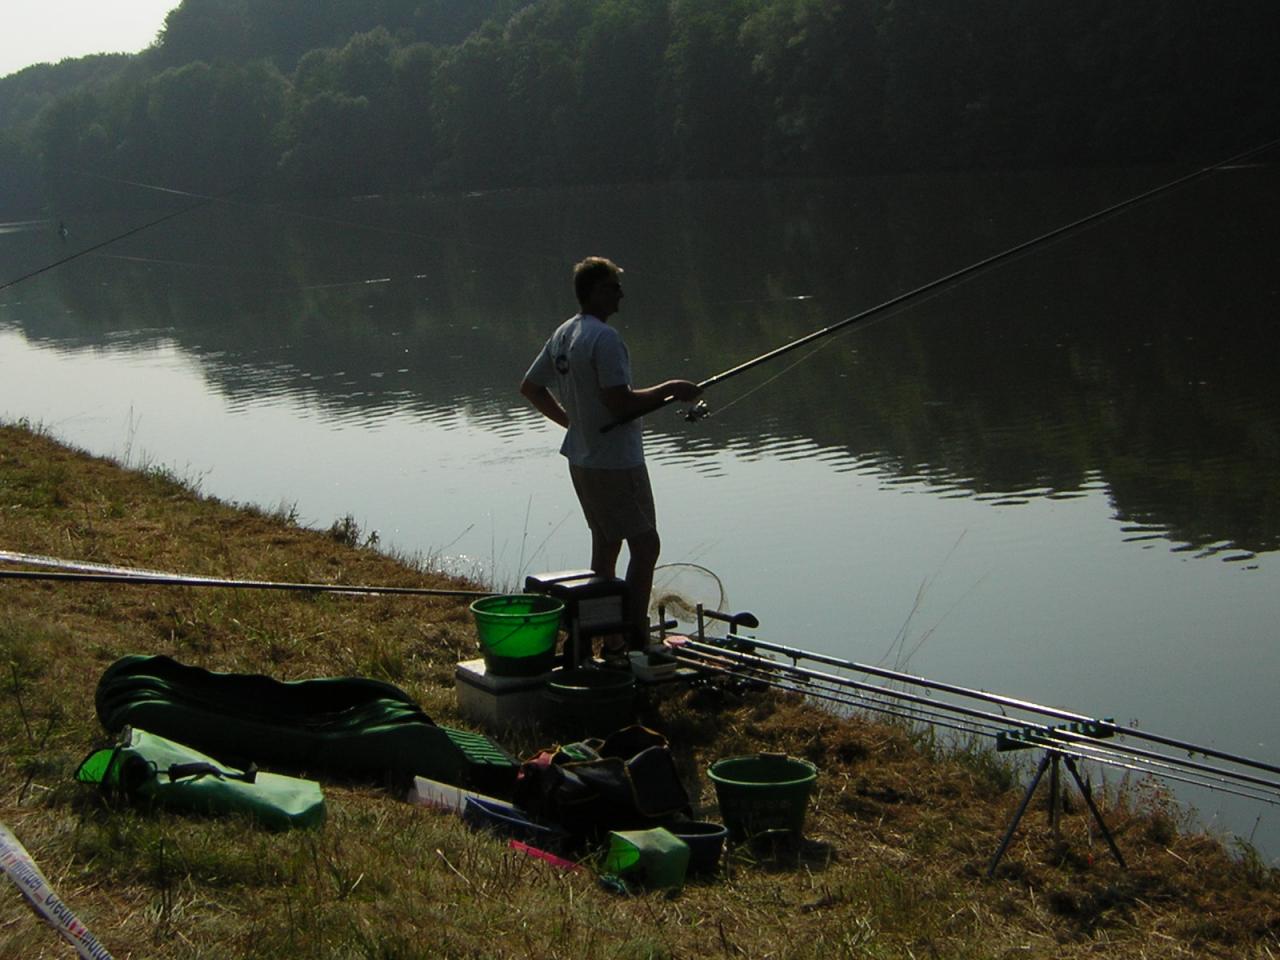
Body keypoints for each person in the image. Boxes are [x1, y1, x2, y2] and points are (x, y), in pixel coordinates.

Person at [520, 256, 701, 654]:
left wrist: (572, 423)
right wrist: (672, 388)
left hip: (582, 459)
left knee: (606, 544)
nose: (620, 293)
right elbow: (619, 403)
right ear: (595, 291)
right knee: (646, 544)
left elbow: (531, 388)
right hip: (615, 463)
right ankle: (635, 638)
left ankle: (604, 636)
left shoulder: (565, 332)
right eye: (613, 286)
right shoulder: (604, 339)